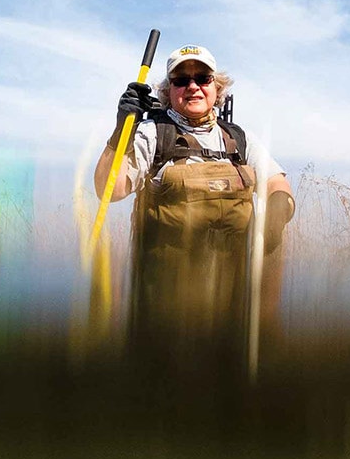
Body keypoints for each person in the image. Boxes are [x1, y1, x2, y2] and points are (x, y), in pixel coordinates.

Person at [93, 44, 294, 376]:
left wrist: (275, 214)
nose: (192, 87)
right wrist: (120, 132)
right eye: (180, 80)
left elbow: (279, 186)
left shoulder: (239, 140)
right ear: (168, 90)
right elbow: (109, 190)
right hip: (164, 309)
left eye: (202, 78)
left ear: (218, 87)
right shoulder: (150, 133)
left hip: (233, 305)